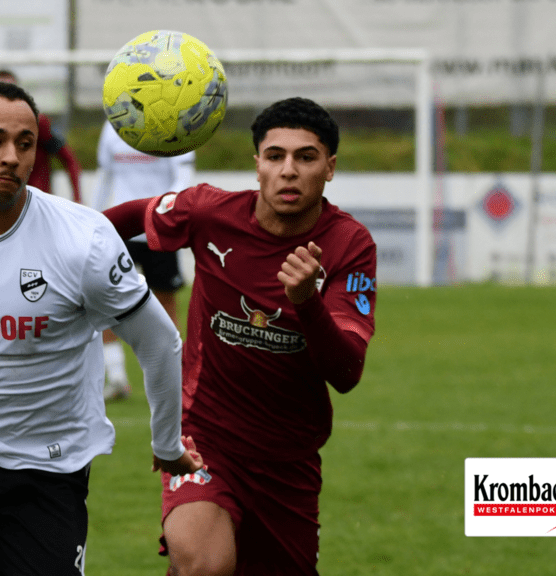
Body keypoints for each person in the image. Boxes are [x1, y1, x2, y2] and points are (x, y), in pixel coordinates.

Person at [0, 81, 202, 575]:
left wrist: (167, 445)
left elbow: (160, 342)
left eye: (24, 144)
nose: (11, 157)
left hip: (52, 465)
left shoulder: (83, 241)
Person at [102, 97, 377, 576]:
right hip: (205, 438)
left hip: (288, 460)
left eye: (305, 157)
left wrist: (307, 302)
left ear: (329, 168)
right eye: (275, 156)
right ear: (257, 165)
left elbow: (347, 372)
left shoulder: (350, 246)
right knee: (205, 566)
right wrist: (55, 250)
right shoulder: (208, 212)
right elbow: (122, 218)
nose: (288, 170)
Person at [94, 121, 195, 400]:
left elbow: (183, 176)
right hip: (120, 230)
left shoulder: (171, 123)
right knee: (105, 303)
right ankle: (116, 379)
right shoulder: (112, 126)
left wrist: (163, 212)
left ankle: (175, 378)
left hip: (158, 228)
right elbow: (105, 175)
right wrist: (92, 216)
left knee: (166, 306)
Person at [0, 69, 83, 203]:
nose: (3, 98)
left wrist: (77, 200)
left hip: (38, 204)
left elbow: (69, 160)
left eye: (8, 92)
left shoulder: (37, 123)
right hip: (0, 205)